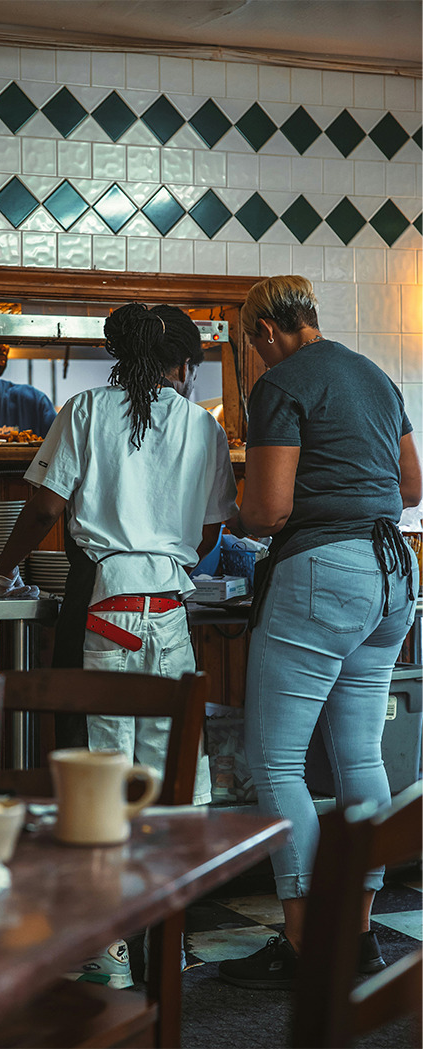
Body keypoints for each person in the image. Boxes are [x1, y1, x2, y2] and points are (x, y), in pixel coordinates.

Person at [0, 301, 239, 987]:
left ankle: (106, 951)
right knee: (169, 781)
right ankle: (169, 937)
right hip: (170, 614)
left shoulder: (87, 410)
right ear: (186, 364)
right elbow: (214, 529)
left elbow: (44, 506)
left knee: (99, 778)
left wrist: (1, 568)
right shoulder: (203, 426)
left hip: (99, 601)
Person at [217, 275, 421, 990]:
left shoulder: (283, 383)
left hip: (323, 574)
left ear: (265, 331)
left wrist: (235, 520)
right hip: (395, 572)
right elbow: (412, 487)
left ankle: (304, 943)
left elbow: (269, 510)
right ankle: (359, 934)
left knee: (277, 761)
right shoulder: (374, 374)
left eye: (250, 345)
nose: (254, 357)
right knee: (359, 753)